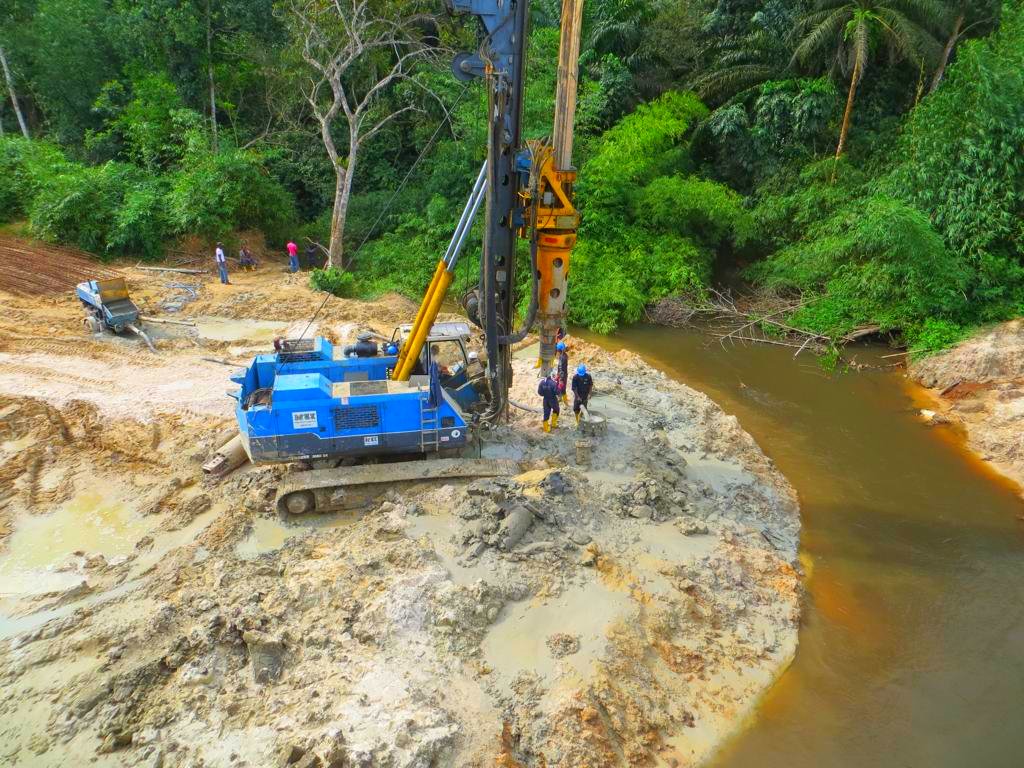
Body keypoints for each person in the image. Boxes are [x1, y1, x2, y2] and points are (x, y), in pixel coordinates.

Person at [555, 340, 569, 405]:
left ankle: (565, 403)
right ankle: (560, 398)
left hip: (562, 376)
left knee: (562, 389)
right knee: (559, 387)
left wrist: (560, 378)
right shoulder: (565, 355)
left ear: (558, 350)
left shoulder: (562, 358)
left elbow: (561, 369)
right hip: (564, 375)